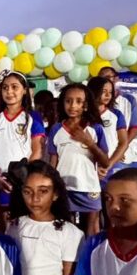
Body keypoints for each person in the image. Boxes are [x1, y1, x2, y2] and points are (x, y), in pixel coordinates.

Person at [47, 83, 110, 235]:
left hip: (89, 187)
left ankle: (90, 251)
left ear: (86, 105)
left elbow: (105, 162)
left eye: (78, 101)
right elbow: (53, 162)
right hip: (64, 188)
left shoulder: (95, 128)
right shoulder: (56, 129)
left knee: (92, 229)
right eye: (68, 101)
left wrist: (89, 143)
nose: (73, 105)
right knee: (65, 229)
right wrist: (52, 186)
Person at [0, 73, 45, 201]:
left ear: (24, 90)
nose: (9, 91)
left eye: (14, 87)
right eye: (5, 88)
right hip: (0, 180)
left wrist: (25, 175)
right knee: (2, 212)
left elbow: (38, 150)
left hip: (24, 180)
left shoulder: (33, 116)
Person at [98, 67, 137, 165]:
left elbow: (135, 128)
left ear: (116, 78)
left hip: (122, 157)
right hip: (99, 157)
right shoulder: (92, 102)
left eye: (108, 77)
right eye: (101, 78)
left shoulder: (128, 100)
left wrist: (120, 149)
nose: (105, 80)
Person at [86, 76, 130, 177]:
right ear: (93, 91)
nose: (108, 95)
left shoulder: (116, 114)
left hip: (111, 167)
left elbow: (123, 142)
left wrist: (108, 165)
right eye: (104, 91)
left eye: (110, 92)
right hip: (87, 167)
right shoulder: (82, 114)